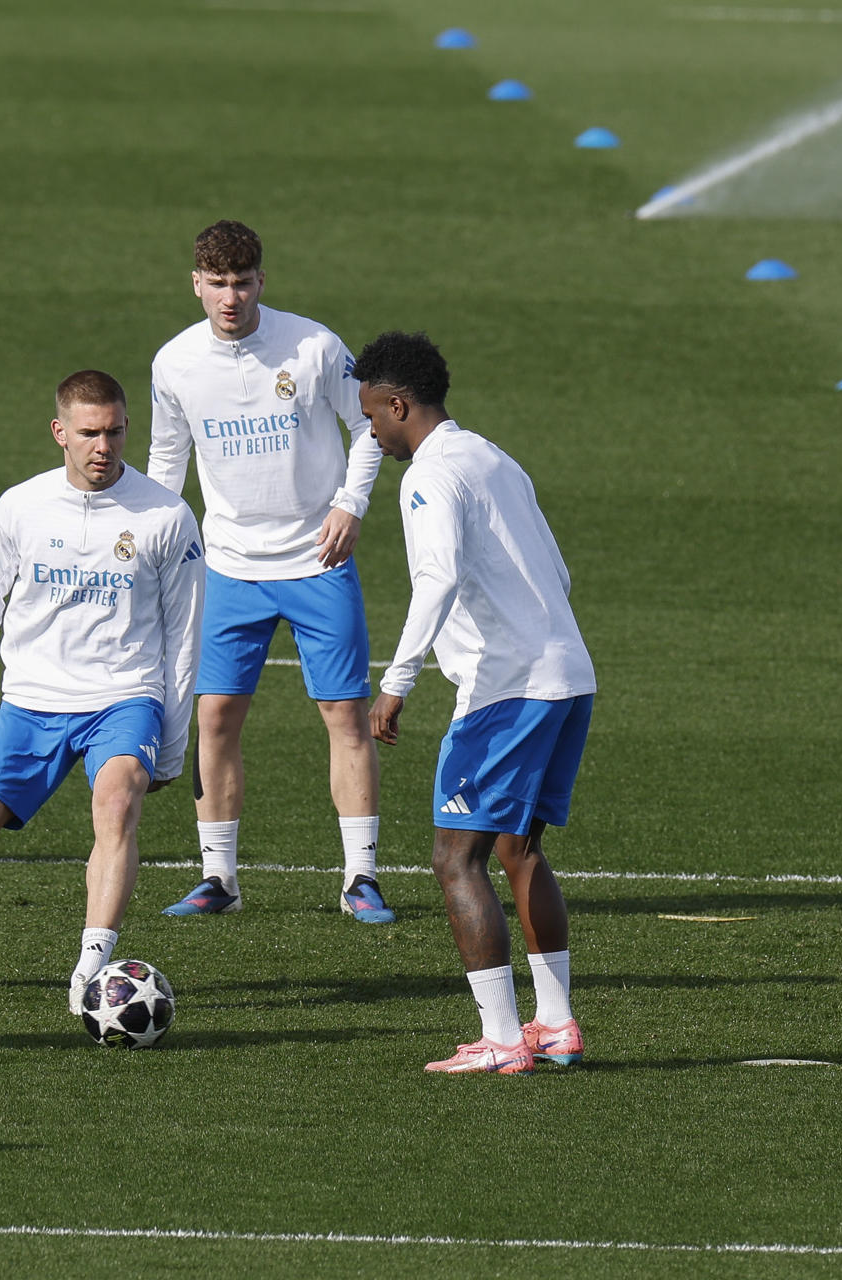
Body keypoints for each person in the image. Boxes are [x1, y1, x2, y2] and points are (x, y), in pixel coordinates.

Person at [0, 370, 204, 1014]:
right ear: (59, 432)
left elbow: (184, 635)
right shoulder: (19, 507)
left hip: (125, 696)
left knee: (116, 804)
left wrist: (171, 744)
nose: (104, 446)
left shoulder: (167, 516)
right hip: (32, 703)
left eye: (116, 431)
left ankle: (92, 968)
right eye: (89, 433)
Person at [359, 332, 595, 1075]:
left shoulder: (428, 477)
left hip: (507, 691)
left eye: (371, 416)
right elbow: (558, 571)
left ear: (399, 405)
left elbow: (436, 578)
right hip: (568, 675)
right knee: (519, 849)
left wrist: (396, 682)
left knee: (454, 859)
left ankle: (499, 1039)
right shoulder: (494, 457)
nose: (369, 431)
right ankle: (554, 1026)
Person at [146, 220, 391, 923]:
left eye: (243, 282)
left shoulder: (313, 345)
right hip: (226, 567)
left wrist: (350, 504)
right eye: (217, 283)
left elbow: (369, 424)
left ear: (262, 280)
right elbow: (168, 464)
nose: (231, 297)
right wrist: (161, 546)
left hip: (318, 559)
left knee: (344, 714)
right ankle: (218, 878)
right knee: (215, 717)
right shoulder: (175, 364)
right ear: (195, 282)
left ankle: (361, 877)